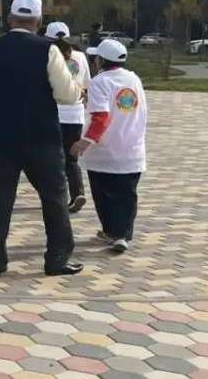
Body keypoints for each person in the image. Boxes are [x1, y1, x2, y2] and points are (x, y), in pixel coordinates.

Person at [0, 0, 84, 278]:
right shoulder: (48, 49)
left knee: (2, 197)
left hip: (2, 135)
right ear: (39, 21)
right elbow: (66, 95)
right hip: (41, 134)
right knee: (54, 197)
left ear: (9, 19)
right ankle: (56, 257)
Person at [71, 39, 148, 254]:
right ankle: (123, 234)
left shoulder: (99, 82)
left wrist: (84, 142)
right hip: (132, 150)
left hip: (105, 152)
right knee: (127, 195)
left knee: (104, 194)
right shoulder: (134, 79)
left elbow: (102, 118)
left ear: (101, 60)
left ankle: (110, 231)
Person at [45, 21, 91, 213]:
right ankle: (77, 192)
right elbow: (87, 83)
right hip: (75, 114)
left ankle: (56, 194)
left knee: (51, 157)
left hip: (54, 112)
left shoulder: (48, 55)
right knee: (71, 158)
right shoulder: (80, 56)